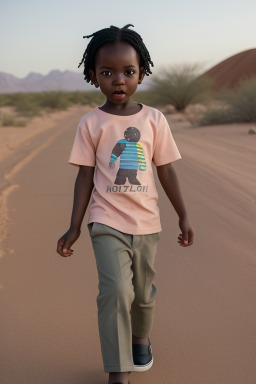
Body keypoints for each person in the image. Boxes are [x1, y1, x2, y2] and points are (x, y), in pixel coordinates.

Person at [56, 24, 194, 384]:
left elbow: (166, 171)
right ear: (93, 76)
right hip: (105, 222)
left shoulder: (154, 120)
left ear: (142, 74)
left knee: (143, 295)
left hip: (148, 224)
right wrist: (74, 226)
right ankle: (118, 371)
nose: (118, 80)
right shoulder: (91, 124)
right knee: (116, 291)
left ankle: (140, 338)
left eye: (128, 72)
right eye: (107, 72)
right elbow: (85, 176)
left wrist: (184, 215)